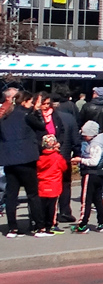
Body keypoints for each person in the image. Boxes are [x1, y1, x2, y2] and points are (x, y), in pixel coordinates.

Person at [0, 90, 45, 237]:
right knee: (33, 193)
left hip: (8, 159)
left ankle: (12, 228)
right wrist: (37, 111)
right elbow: (42, 126)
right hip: (26, 158)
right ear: (25, 102)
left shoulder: (5, 116)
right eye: (31, 102)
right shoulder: (27, 116)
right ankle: (39, 227)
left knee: (11, 194)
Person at [37, 91, 78, 223]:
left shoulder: (41, 117)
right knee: (65, 184)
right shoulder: (69, 118)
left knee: (45, 184)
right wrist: (76, 153)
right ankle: (65, 211)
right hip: (64, 155)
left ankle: (47, 213)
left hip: (45, 157)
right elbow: (75, 139)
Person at [73, 120, 103, 233]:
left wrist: (80, 160)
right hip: (100, 174)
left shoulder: (95, 145)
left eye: (85, 135)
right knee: (98, 198)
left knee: (86, 199)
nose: (84, 137)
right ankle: (101, 223)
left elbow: (94, 161)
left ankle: (82, 224)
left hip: (91, 173)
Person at [35, 134, 67, 236]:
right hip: (54, 185)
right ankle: (51, 226)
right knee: (52, 207)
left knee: (42, 206)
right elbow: (64, 167)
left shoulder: (39, 158)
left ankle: (41, 225)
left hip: (42, 184)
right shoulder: (57, 157)